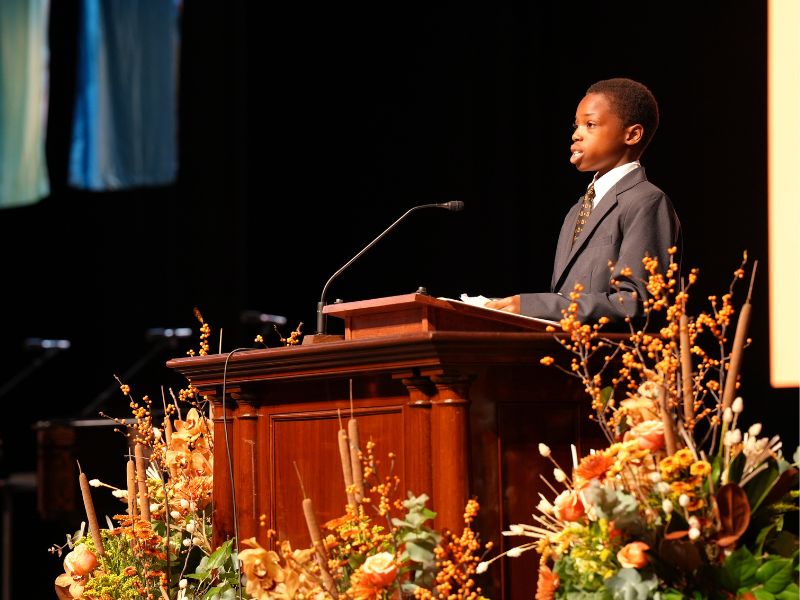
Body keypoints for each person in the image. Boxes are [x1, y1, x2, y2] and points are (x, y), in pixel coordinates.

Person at [485, 77, 682, 327]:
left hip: (610, 361)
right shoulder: (577, 210)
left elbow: (636, 303)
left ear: (632, 134)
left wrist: (535, 306)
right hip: (570, 360)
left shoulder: (646, 201)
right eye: (576, 125)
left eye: (590, 124)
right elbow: (565, 301)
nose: (577, 134)